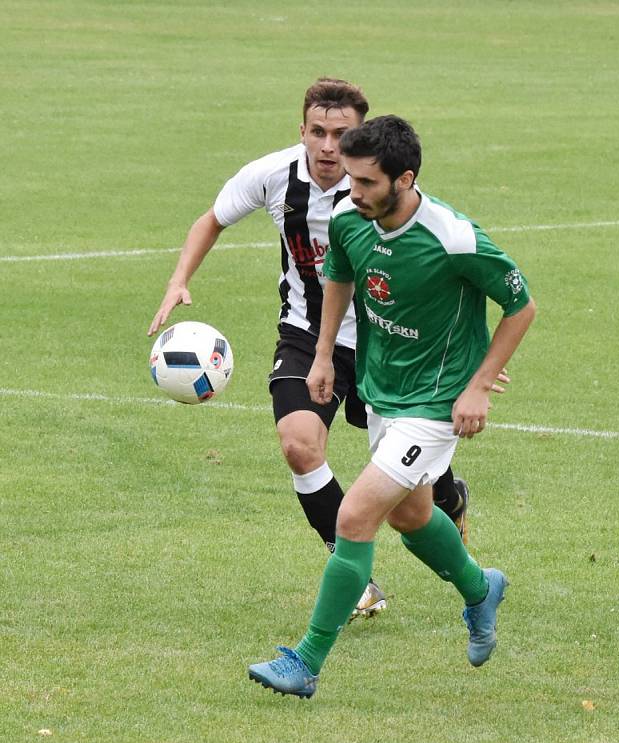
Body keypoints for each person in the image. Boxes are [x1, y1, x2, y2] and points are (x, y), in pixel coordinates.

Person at [148, 79, 480, 618]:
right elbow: (211, 220)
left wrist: (472, 360)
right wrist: (177, 280)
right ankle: (357, 580)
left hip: (386, 340)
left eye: (340, 135)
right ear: (301, 130)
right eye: (317, 132)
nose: (327, 147)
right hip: (306, 334)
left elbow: (442, 270)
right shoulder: (271, 175)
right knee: (299, 444)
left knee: (413, 488)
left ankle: (449, 495)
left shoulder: (382, 190)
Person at [248, 115, 536, 698]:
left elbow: (520, 306)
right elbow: (338, 276)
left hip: (434, 403)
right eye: (349, 180)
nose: (351, 193)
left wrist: (479, 385)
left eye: (367, 183)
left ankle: (305, 663)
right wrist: (323, 355)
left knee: (355, 518)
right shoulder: (351, 217)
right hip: (383, 390)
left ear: (405, 179)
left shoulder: (453, 238)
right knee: (411, 518)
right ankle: (481, 590)